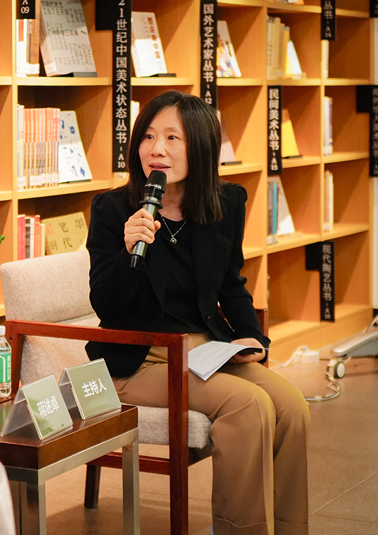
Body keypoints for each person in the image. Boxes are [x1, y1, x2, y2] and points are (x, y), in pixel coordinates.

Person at [86, 91, 309, 535]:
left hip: (206, 352)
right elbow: (105, 304)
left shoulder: (223, 205)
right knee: (247, 405)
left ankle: (288, 529)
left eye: (173, 138)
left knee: (292, 407)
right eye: (148, 136)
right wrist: (130, 251)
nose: (157, 149)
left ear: (202, 147)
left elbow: (231, 284)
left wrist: (252, 337)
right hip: (139, 359)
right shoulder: (113, 210)